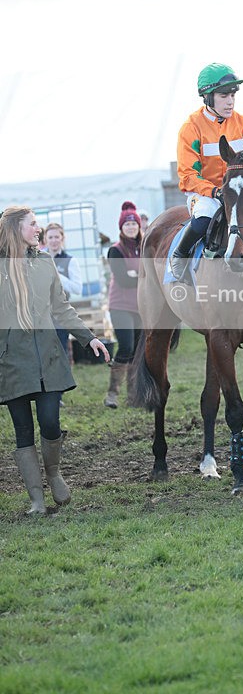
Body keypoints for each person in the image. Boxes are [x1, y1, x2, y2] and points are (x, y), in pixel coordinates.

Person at [0, 206, 110, 515]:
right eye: (32, 224)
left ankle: (53, 472)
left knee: (50, 422)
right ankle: (36, 499)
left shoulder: (46, 263)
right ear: (15, 230)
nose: (38, 229)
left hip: (48, 358)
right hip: (11, 363)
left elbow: (62, 309)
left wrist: (90, 337)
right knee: (23, 430)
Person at [171, 62, 243, 279]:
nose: (230, 102)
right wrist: (214, 192)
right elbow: (187, 175)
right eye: (224, 96)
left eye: (233, 95)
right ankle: (179, 255)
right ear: (207, 97)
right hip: (207, 194)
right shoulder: (191, 128)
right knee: (204, 219)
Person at [104, 201, 142, 408]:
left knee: (138, 350)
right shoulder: (115, 250)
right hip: (120, 305)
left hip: (140, 306)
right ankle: (112, 393)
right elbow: (123, 280)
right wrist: (141, 276)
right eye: (127, 225)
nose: (130, 227)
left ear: (138, 226)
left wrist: (136, 274)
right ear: (121, 228)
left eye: (133, 224)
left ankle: (133, 394)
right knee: (126, 346)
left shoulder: (144, 247)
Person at [44, 222, 83, 355]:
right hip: (40, 314)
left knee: (60, 354)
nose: (54, 241)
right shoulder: (38, 259)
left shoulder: (70, 261)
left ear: (62, 238)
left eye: (56, 237)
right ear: (45, 239)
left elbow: (77, 288)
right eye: (50, 237)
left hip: (60, 315)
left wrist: (58, 276)